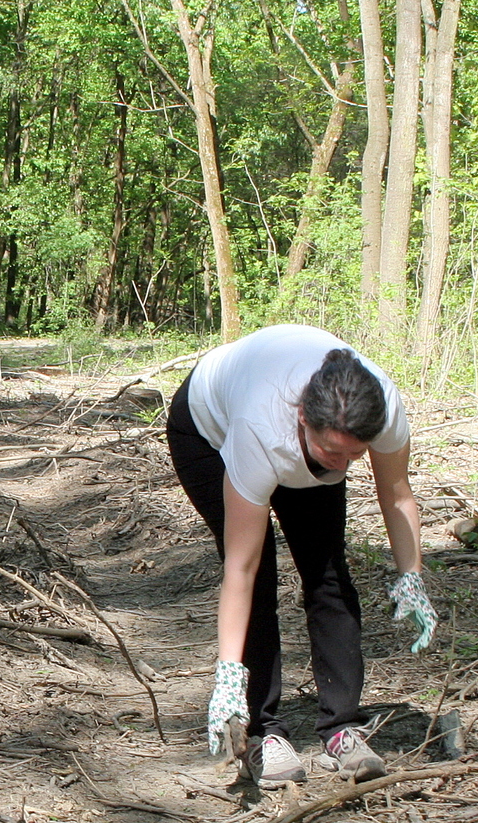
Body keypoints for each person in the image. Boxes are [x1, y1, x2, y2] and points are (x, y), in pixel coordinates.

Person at [167, 324, 438, 786]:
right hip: (206, 431)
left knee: (327, 569)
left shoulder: (380, 407)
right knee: (261, 575)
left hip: (295, 431)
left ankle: (342, 726)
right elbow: (241, 568)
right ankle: (263, 732)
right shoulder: (261, 430)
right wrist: (228, 675)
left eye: (355, 456)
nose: (341, 465)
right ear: (302, 417)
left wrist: (411, 575)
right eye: (333, 451)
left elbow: (396, 494)